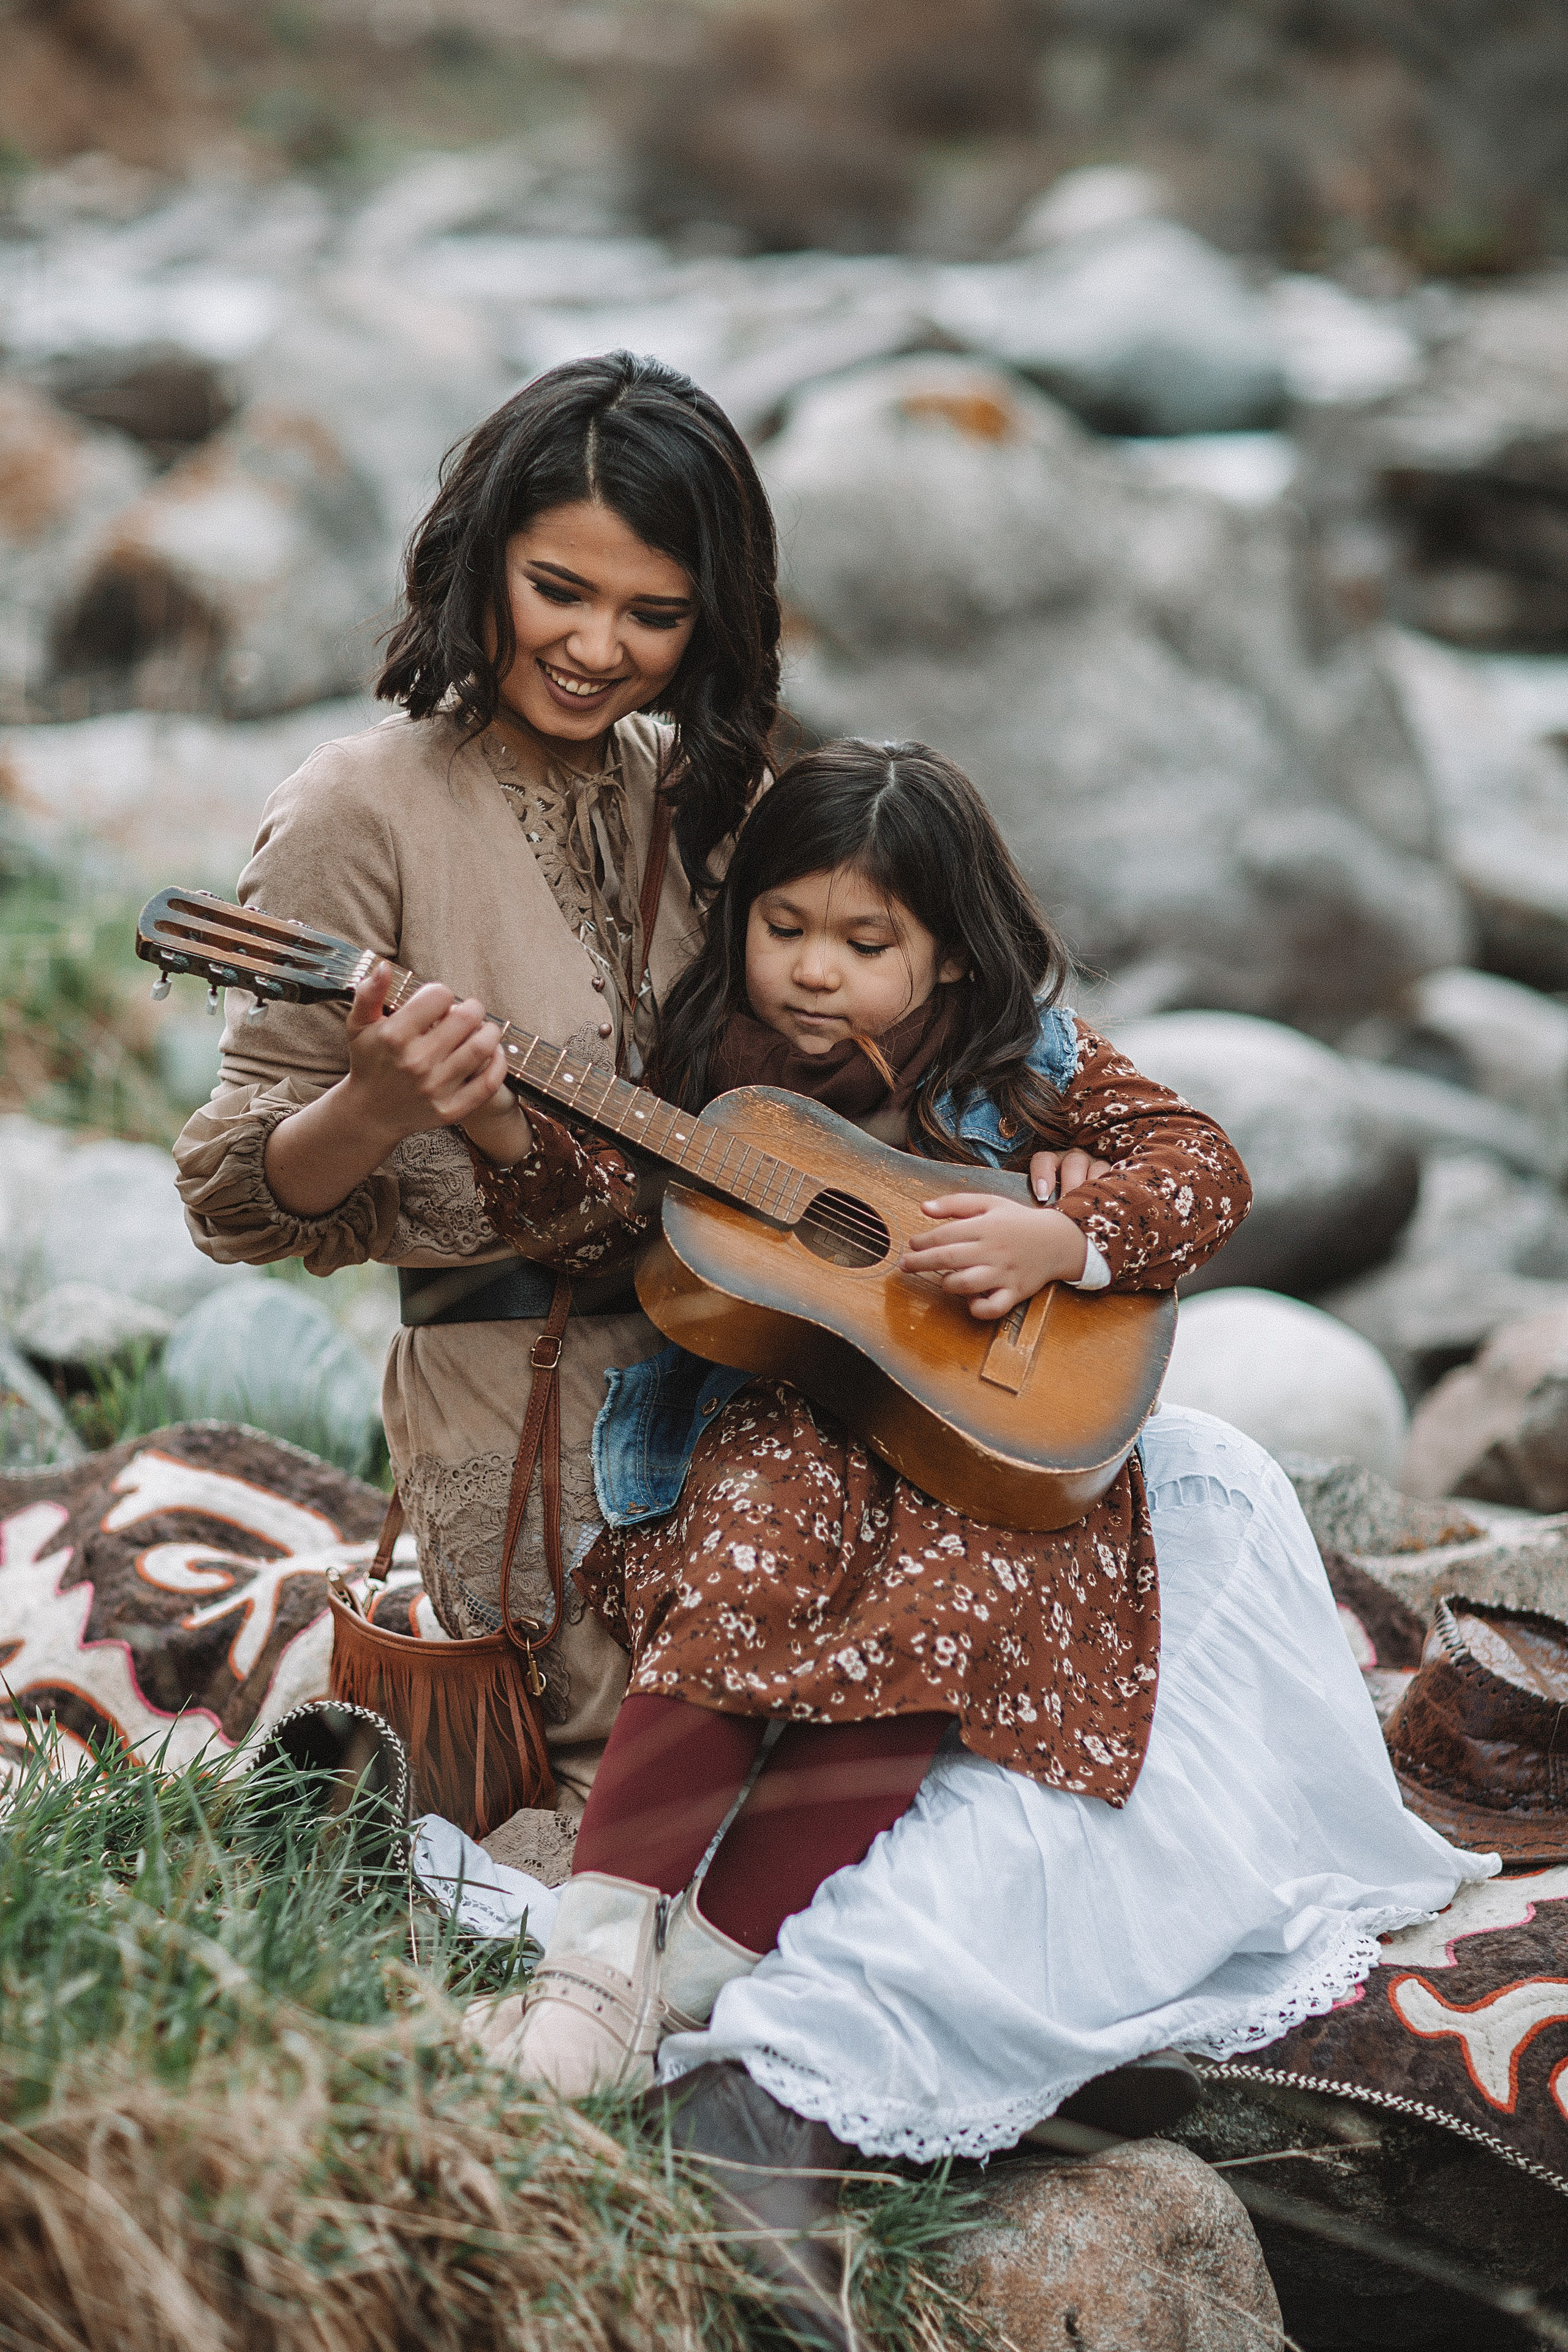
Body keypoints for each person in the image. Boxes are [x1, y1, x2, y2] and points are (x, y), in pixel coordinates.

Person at [467, 738, 1492, 2165]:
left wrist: (1062, 1233)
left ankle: (706, 1965)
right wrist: (491, 1111)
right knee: (738, 1573)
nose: (813, 971)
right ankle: (590, 1959)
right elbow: (576, 1212)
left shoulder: (1029, 1064)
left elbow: (1202, 1168)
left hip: (995, 1448)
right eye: (784, 929)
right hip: (788, 1419)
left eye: (863, 941)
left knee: (948, 1628)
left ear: (947, 956)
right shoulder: (702, 1064)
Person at [174, 349, 783, 1822]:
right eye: (555, 590)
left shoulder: (705, 798)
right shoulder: (356, 809)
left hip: (760, 1360)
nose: (595, 647)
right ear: (480, 566)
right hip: (513, 1407)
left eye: (654, 613)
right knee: (639, 1806)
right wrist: (378, 1102)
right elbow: (231, 1197)